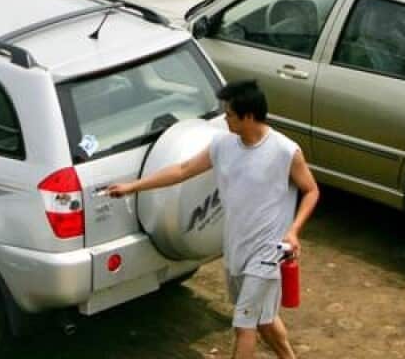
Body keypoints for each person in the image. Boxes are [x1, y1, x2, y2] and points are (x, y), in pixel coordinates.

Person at [108, 80, 319, 359]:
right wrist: (133, 186)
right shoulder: (223, 145)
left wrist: (293, 231)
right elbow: (182, 170)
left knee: (244, 326)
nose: (225, 118)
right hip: (235, 250)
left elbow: (311, 190)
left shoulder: (285, 151)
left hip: (268, 254)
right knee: (263, 318)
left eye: (230, 114)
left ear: (248, 116)